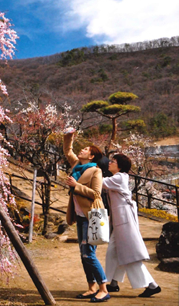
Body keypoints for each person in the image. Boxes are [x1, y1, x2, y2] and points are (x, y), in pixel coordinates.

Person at [103, 153, 161, 298]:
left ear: (120, 166)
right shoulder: (119, 178)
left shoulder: (119, 177)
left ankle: (152, 285)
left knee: (129, 256)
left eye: (113, 161)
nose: (109, 163)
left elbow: (100, 182)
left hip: (124, 221)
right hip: (121, 221)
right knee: (113, 252)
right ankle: (113, 282)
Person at [63, 128, 110, 302]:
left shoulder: (95, 171)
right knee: (83, 253)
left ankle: (103, 288)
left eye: (85, 150)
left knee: (88, 254)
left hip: (92, 216)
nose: (81, 151)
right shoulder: (77, 166)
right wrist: (69, 137)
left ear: (91, 156)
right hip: (80, 216)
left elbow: (96, 193)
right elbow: (68, 151)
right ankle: (91, 287)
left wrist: (76, 185)